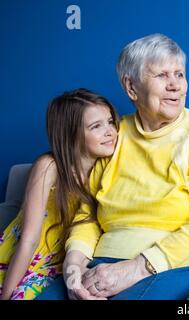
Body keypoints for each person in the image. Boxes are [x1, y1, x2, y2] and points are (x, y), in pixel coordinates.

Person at [37, 33, 189, 300]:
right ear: (131, 88)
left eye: (180, 74)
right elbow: (88, 213)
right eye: (162, 75)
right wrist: (74, 267)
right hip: (100, 263)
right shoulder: (113, 135)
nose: (175, 85)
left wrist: (135, 268)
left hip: (169, 267)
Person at [0, 89, 119, 300]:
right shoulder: (50, 167)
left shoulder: (109, 168)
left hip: (59, 265)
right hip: (20, 258)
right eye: (96, 126)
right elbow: (29, 239)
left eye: (110, 122)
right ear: (72, 133)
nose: (110, 131)